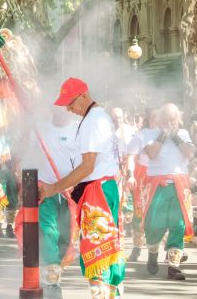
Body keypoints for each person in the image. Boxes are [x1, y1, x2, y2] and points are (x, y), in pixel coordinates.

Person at [40, 78, 125, 299]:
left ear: (84, 96)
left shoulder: (92, 122)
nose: (68, 108)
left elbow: (87, 166)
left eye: (70, 102)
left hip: (98, 193)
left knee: (96, 251)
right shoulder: (98, 117)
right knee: (107, 248)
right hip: (103, 189)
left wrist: (54, 188)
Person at [141, 103, 194, 280]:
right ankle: (153, 254)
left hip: (179, 183)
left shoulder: (184, 133)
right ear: (160, 119)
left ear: (178, 118)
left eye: (172, 118)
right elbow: (152, 154)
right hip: (157, 184)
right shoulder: (150, 134)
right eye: (165, 118)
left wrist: (176, 137)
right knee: (154, 225)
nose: (169, 122)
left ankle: (173, 267)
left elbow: (189, 154)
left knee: (178, 224)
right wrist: (164, 135)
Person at [32, 107, 78, 299]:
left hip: (69, 192)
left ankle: (54, 271)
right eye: (56, 110)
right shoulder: (40, 129)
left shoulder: (78, 130)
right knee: (49, 233)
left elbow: (86, 162)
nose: (60, 113)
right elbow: (29, 156)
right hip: (45, 190)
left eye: (64, 110)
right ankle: (51, 282)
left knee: (65, 236)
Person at [125, 108, 158, 261]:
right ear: (148, 117)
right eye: (154, 116)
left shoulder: (169, 134)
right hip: (143, 177)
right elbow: (131, 157)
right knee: (139, 212)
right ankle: (137, 248)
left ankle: (164, 249)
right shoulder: (141, 135)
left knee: (160, 213)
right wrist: (131, 175)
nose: (157, 119)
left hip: (161, 176)